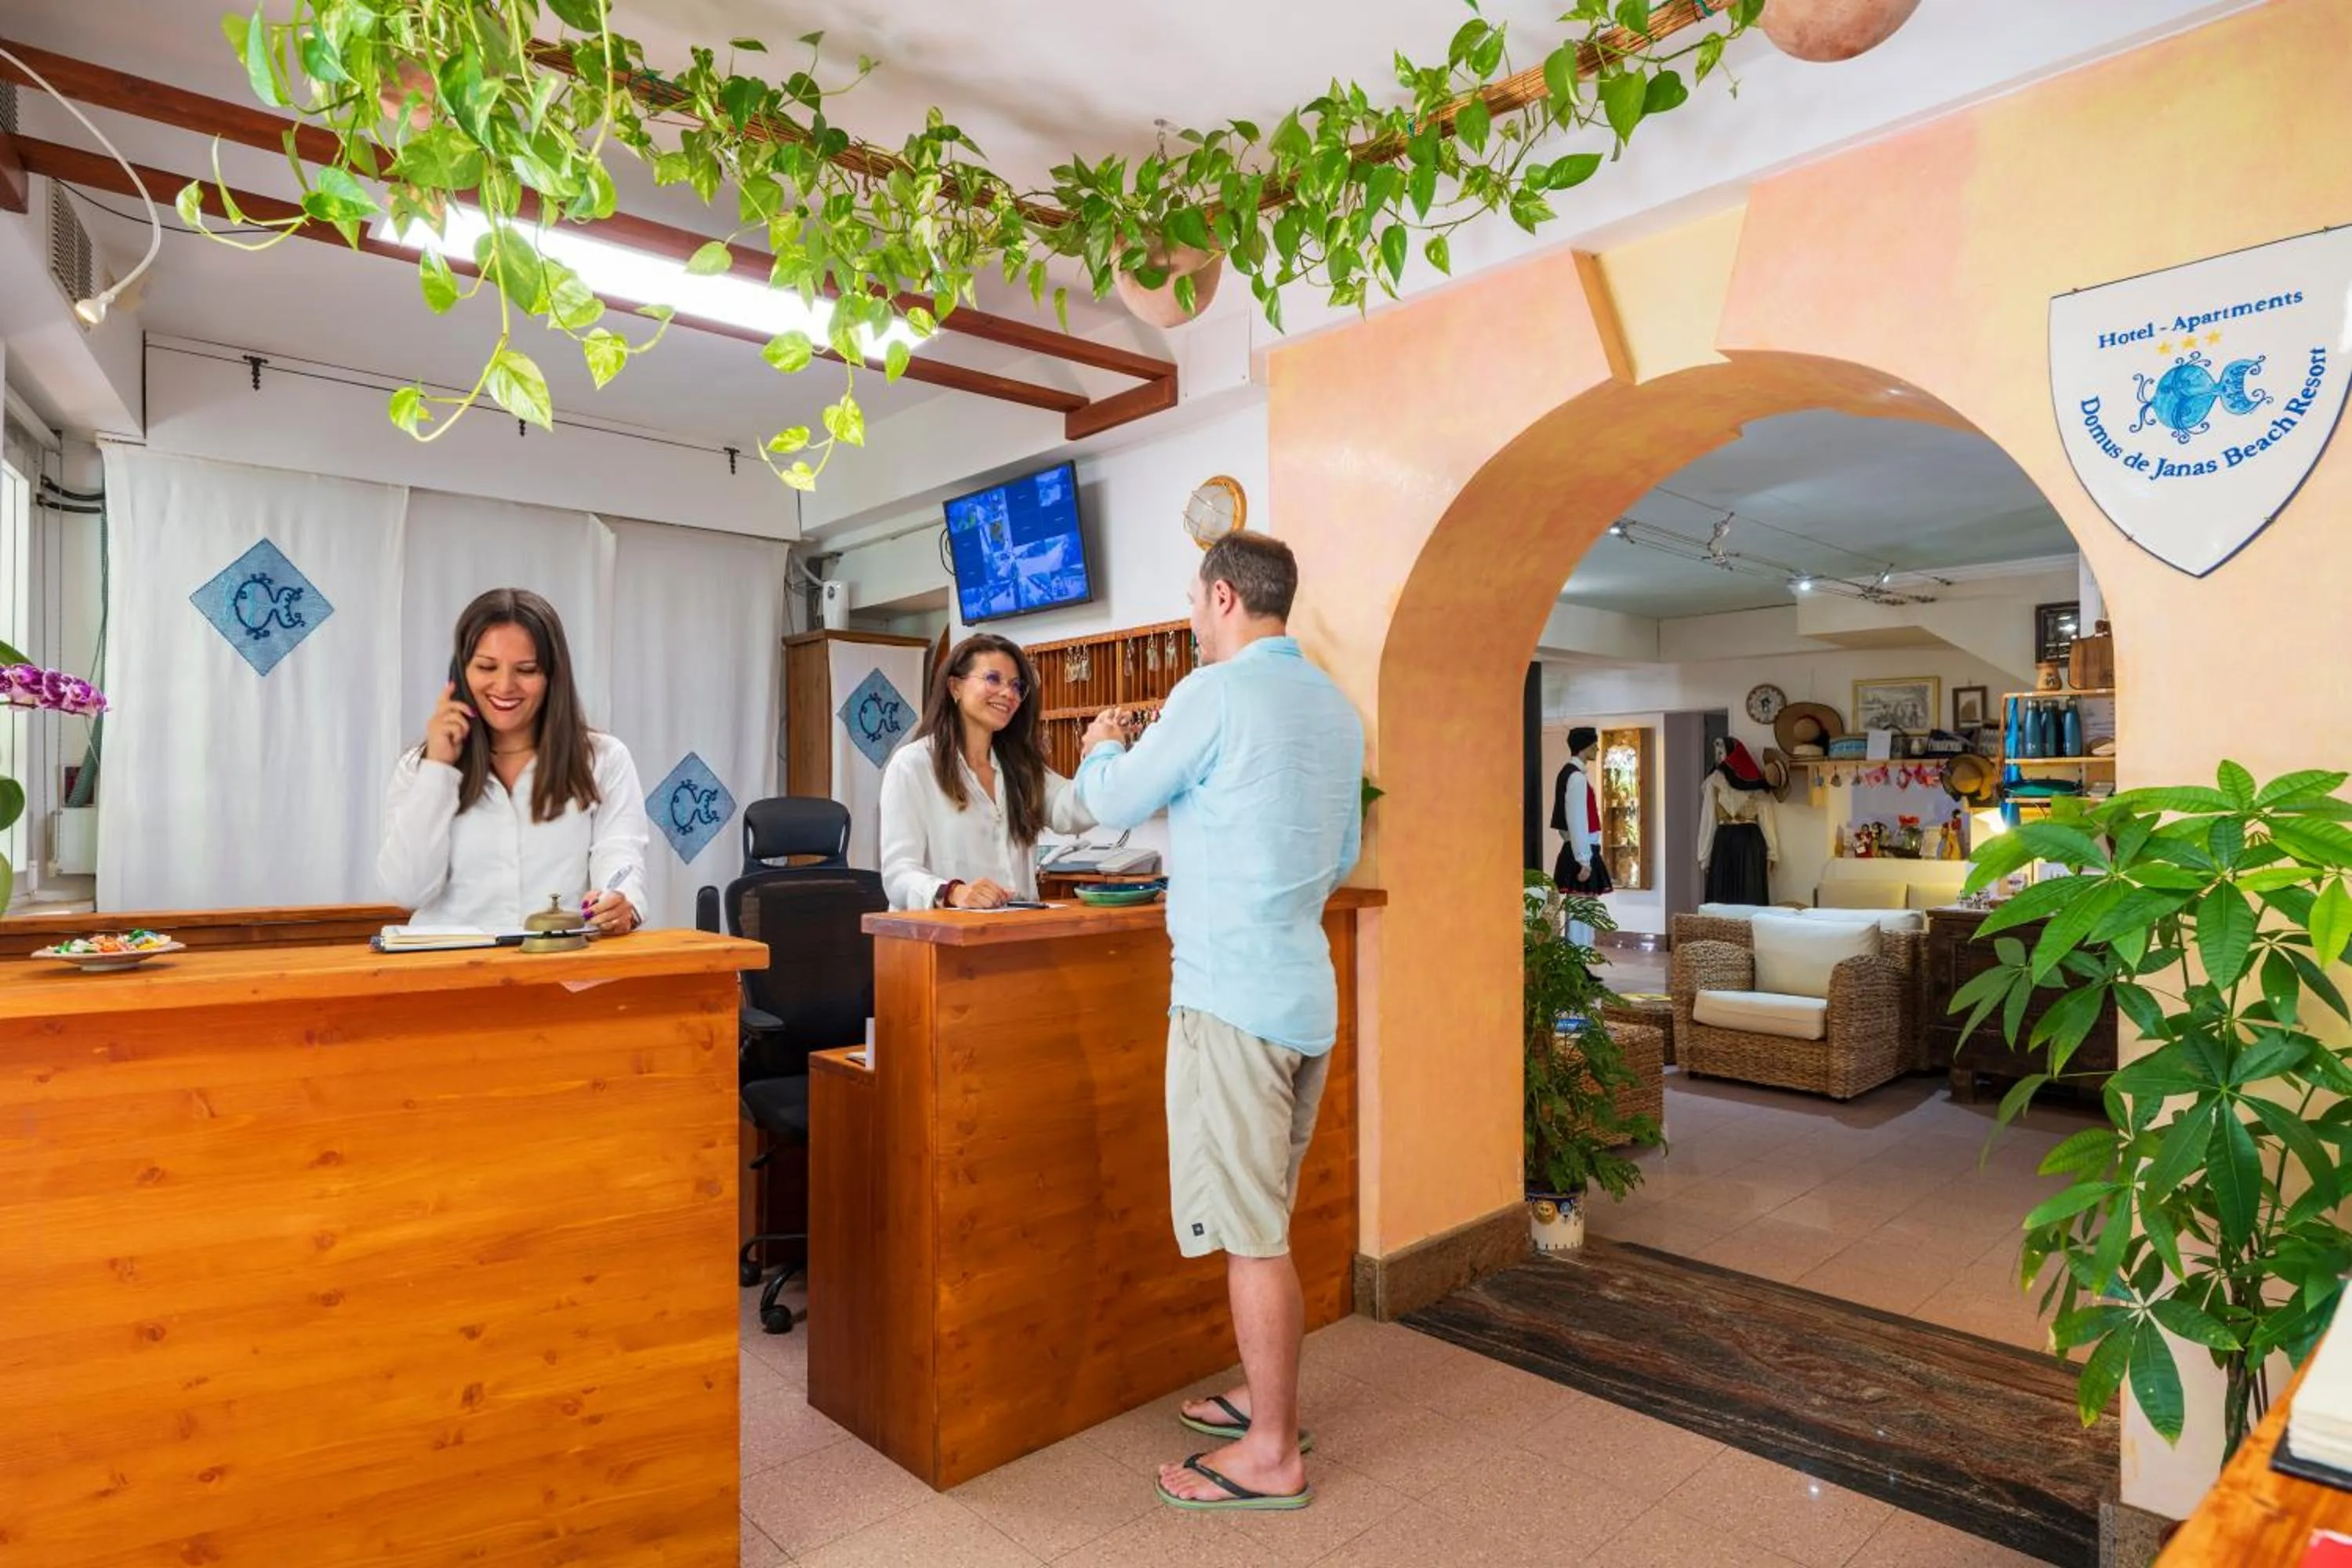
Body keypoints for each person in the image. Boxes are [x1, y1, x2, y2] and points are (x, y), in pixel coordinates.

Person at [1073, 533, 1363, 1515]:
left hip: (1230, 1001)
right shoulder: (1332, 706)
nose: (1193, 616)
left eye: (1195, 600)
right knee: (1266, 1214)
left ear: (1226, 596)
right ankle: (1260, 1400)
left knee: (1251, 1233)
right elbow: (1336, 853)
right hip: (1302, 993)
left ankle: (1274, 1450)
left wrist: (1100, 742)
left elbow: (1107, 797)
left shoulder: (1216, 691)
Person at [379, 587, 649, 934]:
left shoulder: (603, 759)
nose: (505, 686)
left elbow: (620, 856)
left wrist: (620, 902)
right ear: (461, 672)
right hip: (452, 974)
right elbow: (408, 890)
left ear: (552, 676)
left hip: (563, 971)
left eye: (526, 669)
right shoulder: (419, 768)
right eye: (487, 667)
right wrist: (439, 769)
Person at [878, 631, 1094, 910]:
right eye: (993, 679)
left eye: (1017, 686)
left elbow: (1075, 810)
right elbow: (898, 875)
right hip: (942, 940)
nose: (1008, 693)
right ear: (955, 687)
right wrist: (952, 893)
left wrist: (1103, 752)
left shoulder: (1022, 767)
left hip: (1014, 935)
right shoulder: (913, 765)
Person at [1697, 736, 1780, 904]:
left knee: (1749, 892)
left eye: (1722, 752)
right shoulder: (1714, 781)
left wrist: (1772, 852)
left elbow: (1766, 817)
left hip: (1749, 841)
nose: (1720, 757)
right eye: (1718, 753)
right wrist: (1705, 856)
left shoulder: (1754, 781)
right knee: (1722, 896)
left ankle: (1748, 929)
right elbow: (1708, 819)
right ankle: (1723, 930)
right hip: (1724, 841)